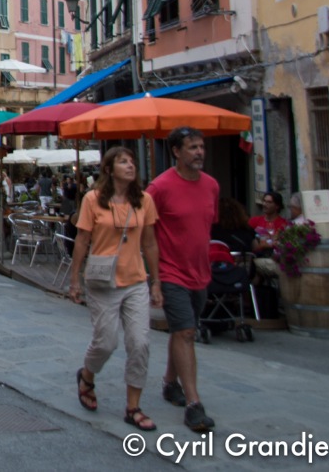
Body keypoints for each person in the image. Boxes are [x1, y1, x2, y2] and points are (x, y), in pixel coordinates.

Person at [69, 147, 162, 432]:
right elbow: (82, 240)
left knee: (140, 343)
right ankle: (87, 376)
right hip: (102, 282)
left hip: (135, 280)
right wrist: (75, 280)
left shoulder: (144, 200)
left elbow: (149, 243)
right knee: (106, 342)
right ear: (109, 169)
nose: (130, 166)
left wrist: (156, 281)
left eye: (132, 161)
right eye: (123, 162)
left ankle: (133, 407)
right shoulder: (93, 199)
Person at [146, 126, 218, 433]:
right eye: (192, 147)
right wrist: (155, 278)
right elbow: (146, 233)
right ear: (176, 152)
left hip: (200, 273)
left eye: (201, 147)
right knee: (186, 331)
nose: (199, 152)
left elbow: (205, 228)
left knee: (182, 331)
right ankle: (193, 404)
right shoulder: (159, 188)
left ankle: (169, 382)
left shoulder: (211, 186)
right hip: (170, 272)